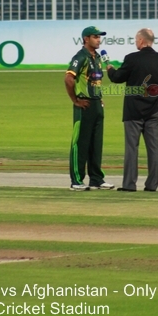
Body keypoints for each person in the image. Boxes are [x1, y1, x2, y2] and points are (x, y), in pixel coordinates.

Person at [106, 28, 158, 192]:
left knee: (131, 149)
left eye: (136, 40)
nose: (135, 42)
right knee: (154, 149)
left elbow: (117, 78)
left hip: (133, 111)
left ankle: (129, 185)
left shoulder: (132, 58)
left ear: (141, 41)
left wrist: (110, 69)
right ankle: (152, 184)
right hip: (154, 110)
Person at [64, 25, 114, 191]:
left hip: (96, 104)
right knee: (81, 143)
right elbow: (69, 79)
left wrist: (99, 98)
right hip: (84, 105)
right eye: (95, 36)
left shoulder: (97, 57)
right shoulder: (81, 57)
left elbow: (96, 81)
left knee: (96, 144)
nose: (98, 39)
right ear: (86, 39)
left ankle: (96, 179)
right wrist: (75, 100)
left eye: (99, 37)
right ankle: (76, 180)